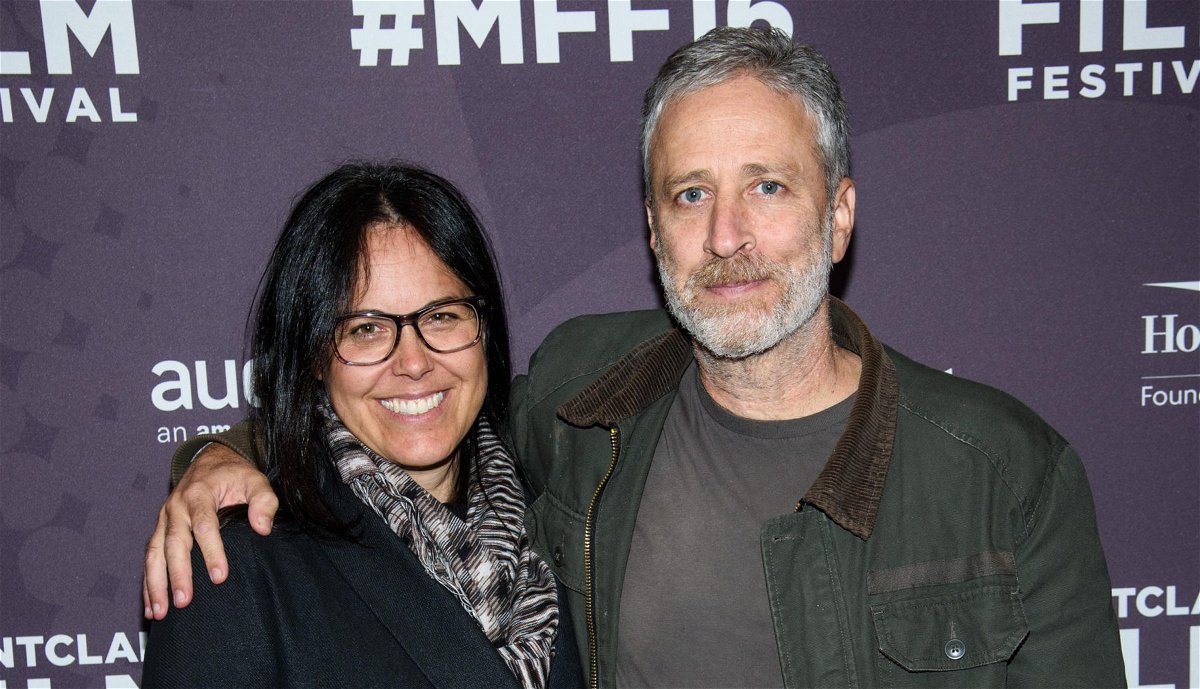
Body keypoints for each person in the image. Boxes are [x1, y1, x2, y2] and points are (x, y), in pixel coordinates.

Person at [144, 29, 1125, 689]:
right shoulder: (585, 400)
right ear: (653, 230)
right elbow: (388, 418)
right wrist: (225, 456)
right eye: (690, 194)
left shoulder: (1005, 472)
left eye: (769, 186)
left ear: (839, 214)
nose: (728, 233)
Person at [141, 163, 582, 689]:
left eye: (442, 316)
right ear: (312, 356)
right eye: (367, 329)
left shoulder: (567, 517)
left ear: (483, 330)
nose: (414, 362)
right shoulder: (234, 568)